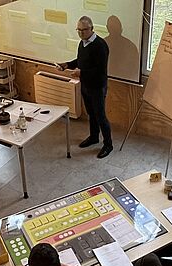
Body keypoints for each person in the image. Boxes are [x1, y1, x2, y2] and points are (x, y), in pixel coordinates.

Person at [57, 16, 113, 159]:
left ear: (92, 29)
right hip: (86, 85)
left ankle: (108, 144)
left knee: (100, 116)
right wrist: (67, 65)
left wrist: (82, 72)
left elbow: (100, 71)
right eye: (79, 30)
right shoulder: (82, 43)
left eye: (84, 30)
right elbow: (80, 61)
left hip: (98, 86)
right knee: (91, 114)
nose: (81, 33)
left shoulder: (100, 45)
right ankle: (94, 137)